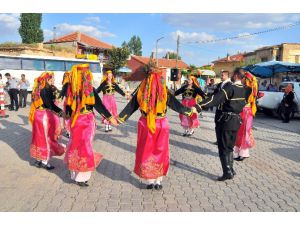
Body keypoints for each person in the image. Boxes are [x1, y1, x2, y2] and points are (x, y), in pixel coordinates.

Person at [117, 67, 194, 190]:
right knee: (160, 151)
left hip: (146, 123)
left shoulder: (143, 89)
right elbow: (176, 104)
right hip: (160, 123)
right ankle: (157, 181)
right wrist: (190, 111)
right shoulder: (162, 90)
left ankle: (151, 181)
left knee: (147, 151)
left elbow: (131, 106)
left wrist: (120, 118)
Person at [63, 64, 117, 187]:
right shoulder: (72, 89)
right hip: (80, 121)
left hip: (85, 121)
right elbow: (69, 106)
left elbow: (98, 105)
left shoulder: (87, 89)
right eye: (85, 75)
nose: (86, 77)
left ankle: (81, 175)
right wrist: (66, 115)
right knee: (77, 146)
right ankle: (77, 174)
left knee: (84, 146)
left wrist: (110, 117)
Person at [193, 68, 247, 181]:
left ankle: (227, 172)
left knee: (223, 147)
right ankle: (231, 169)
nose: (231, 76)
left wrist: (199, 106)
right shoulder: (244, 89)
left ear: (236, 75)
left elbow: (216, 99)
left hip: (227, 120)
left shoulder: (230, 87)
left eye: (232, 74)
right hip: (237, 121)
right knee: (230, 147)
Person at [29, 72, 66, 170]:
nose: (54, 80)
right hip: (45, 116)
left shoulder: (37, 89)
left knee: (39, 138)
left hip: (38, 115)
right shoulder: (46, 89)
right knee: (48, 138)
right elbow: (50, 105)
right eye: (52, 78)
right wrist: (61, 113)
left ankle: (39, 160)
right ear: (48, 80)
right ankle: (45, 161)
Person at [234, 72, 258, 161]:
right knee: (239, 132)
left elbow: (243, 101)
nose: (242, 79)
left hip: (246, 112)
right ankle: (238, 152)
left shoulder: (248, 89)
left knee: (245, 132)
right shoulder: (245, 88)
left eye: (243, 78)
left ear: (246, 79)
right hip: (242, 111)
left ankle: (244, 153)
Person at [213, 71, 232, 145]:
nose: (221, 76)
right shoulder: (219, 84)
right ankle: (218, 140)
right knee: (217, 124)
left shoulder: (230, 85)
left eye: (222, 75)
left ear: (227, 76)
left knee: (224, 126)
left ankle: (224, 141)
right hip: (218, 108)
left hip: (225, 109)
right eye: (221, 75)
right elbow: (214, 94)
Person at [58, 71, 72, 138]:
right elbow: (62, 93)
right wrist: (59, 99)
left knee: (72, 117)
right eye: (66, 76)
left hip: (74, 103)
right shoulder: (66, 85)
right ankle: (68, 131)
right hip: (67, 103)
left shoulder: (74, 84)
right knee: (67, 117)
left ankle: (70, 130)